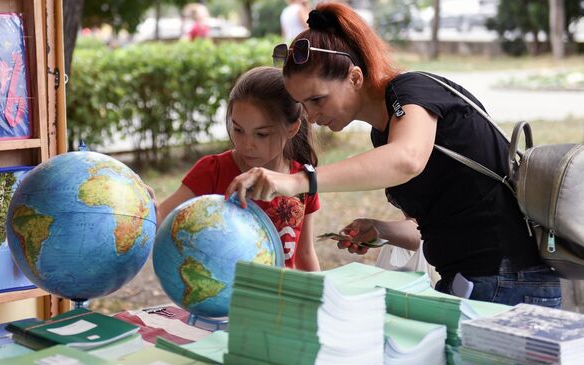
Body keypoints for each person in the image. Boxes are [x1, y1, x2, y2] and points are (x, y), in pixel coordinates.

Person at [225, 3, 561, 307]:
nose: (311, 116)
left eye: (317, 100)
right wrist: (382, 229)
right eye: (303, 105)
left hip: (508, 282)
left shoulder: (412, 90)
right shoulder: (383, 131)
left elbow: (406, 159)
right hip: (477, 282)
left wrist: (299, 181)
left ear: (354, 77)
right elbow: (435, 225)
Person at [158, 66, 321, 272]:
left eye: (261, 134)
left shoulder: (303, 181)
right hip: (216, 297)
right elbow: (160, 218)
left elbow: (305, 253)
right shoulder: (212, 171)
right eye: (238, 130)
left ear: (292, 128)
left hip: (276, 299)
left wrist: (322, 300)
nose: (246, 144)